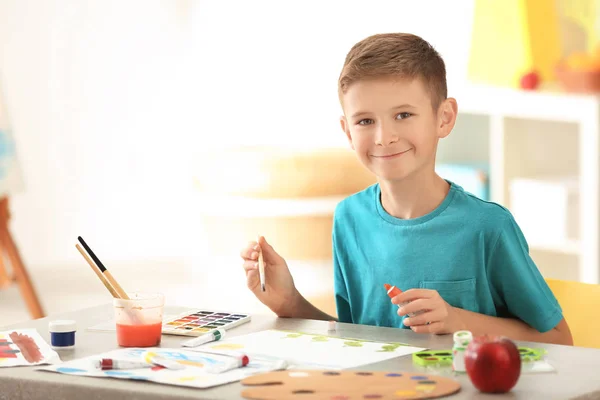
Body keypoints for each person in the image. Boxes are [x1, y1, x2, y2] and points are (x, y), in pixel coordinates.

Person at [240, 32, 573, 345]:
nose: (384, 137)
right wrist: (289, 302)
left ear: (444, 118)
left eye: (403, 114)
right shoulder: (349, 218)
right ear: (347, 131)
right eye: (365, 121)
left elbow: (560, 339)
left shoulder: (487, 227)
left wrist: (457, 320)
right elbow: (355, 339)